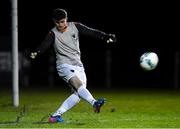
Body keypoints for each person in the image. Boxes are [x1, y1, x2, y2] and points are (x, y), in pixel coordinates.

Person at [29, 8, 116, 123]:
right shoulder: (53, 33)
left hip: (78, 65)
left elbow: (91, 32)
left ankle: (55, 116)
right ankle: (94, 103)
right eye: (57, 22)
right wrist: (36, 52)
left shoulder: (75, 26)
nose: (60, 24)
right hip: (64, 65)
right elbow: (45, 45)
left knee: (78, 95)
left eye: (63, 21)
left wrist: (105, 36)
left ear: (66, 19)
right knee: (78, 85)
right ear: (54, 21)